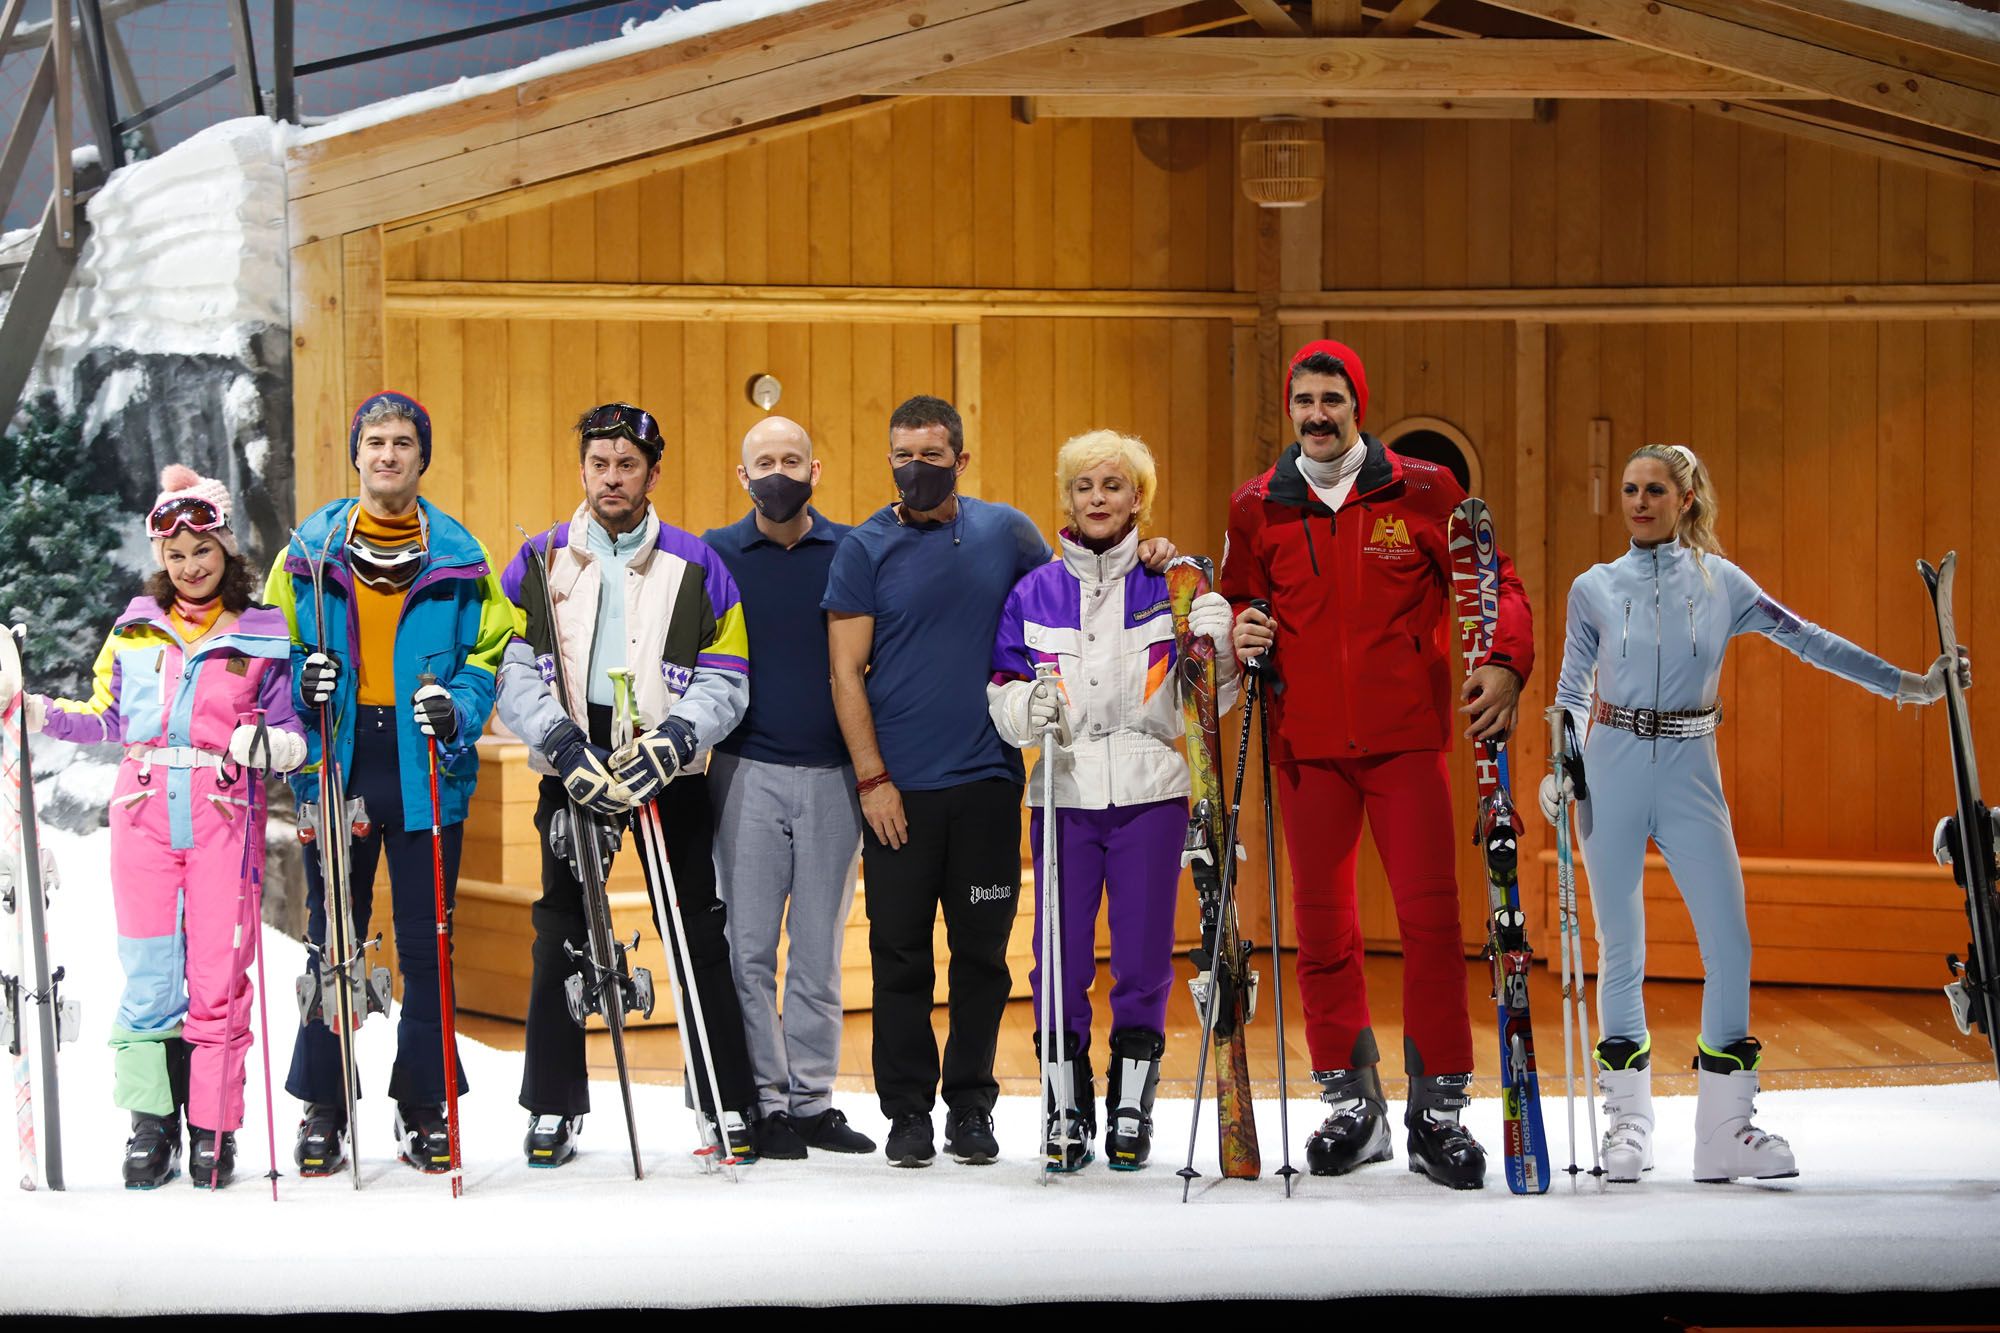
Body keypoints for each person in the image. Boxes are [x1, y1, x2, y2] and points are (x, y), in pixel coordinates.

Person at [1542, 443, 1967, 1185]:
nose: (1639, 502)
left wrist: (1911, 685)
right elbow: (1574, 688)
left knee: (1730, 944)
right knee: (1623, 949)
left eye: (1655, 491)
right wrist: (1563, 762)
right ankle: (1629, 1126)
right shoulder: (1594, 588)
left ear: (1687, 500)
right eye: (1631, 490)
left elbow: (1810, 639)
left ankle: (1725, 1128)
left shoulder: (1722, 583)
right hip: (1609, 767)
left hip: (1690, 770)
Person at [1221, 339, 1534, 1191]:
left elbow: (1493, 582)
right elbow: (1239, 597)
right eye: (1304, 401)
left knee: (1431, 924)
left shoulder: (1424, 490)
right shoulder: (1257, 506)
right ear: (1290, 409)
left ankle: (1438, 1110)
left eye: (1333, 399)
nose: (1317, 416)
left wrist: (1505, 658)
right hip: (1305, 746)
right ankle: (1352, 1107)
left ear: (1359, 403)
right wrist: (1240, 626)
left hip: (1405, 741)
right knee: (1323, 932)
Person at [496, 402, 761, 1167]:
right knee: (561, 933)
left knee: (696, 933)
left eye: (628, 465)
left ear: (653, 471)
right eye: (600, 464)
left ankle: (724, 1100)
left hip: (665, 767)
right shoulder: (539, 558)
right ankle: (553, 1106)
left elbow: (728, 674)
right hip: (574, 762)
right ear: (583, 467)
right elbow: (511, 665)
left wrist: (678, 738)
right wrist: (556, 740)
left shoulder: (698, 563)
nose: (613, 478)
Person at [27, 466, 307, 1188]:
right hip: (144, 817)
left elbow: (289, 727)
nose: (189, 566)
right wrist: (39, 712)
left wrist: (272, 746)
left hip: (222, 815)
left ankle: (213, 1125)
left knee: (218, 975)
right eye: (175, 555)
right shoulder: (134, 626)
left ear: (224, 546)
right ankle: (151, 1125)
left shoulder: (262, 630)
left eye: (201, 550)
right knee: (150, 977)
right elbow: (107, 717)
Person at [268, 391, 514, 1177]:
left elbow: (492, 651)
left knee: (426, 942)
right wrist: (296, 685)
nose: (388, 453)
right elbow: (266, 648)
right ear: (356, 451)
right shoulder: (306, 550)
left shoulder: (461, 555)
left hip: (422, 760)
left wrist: (461, 707)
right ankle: (325, 1104)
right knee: (332, 938)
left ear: (421, 456)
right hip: (339, 757)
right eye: (375, 440)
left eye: (403, 441)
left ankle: (424, 1103)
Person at [987, 429, 1237, 1171]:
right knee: (1055, 956)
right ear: (1068, 498)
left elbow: (1208, 704)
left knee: (1141, 955)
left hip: (1150, 790)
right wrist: (1020, 710)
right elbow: (1001, 685)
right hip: (1061, 791)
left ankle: (1132, 1102)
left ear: (1139, 499)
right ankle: (1065, 1105)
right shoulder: (1033, 591)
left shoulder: (1174, 585)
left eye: (1113, 486)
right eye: (1084, 487)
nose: (1098, 499)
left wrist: (1217, 645)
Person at [700, 416, 874, 1161]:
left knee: (818, 950)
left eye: (792, 459)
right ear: (743, 476)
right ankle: (759, 1098)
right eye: (764, 460)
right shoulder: (712, 553)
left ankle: (811, 1100)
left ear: (816, 468)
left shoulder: (853, 549)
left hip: (835, 773)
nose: (779, 471)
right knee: (746, 948)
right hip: (744, 768)